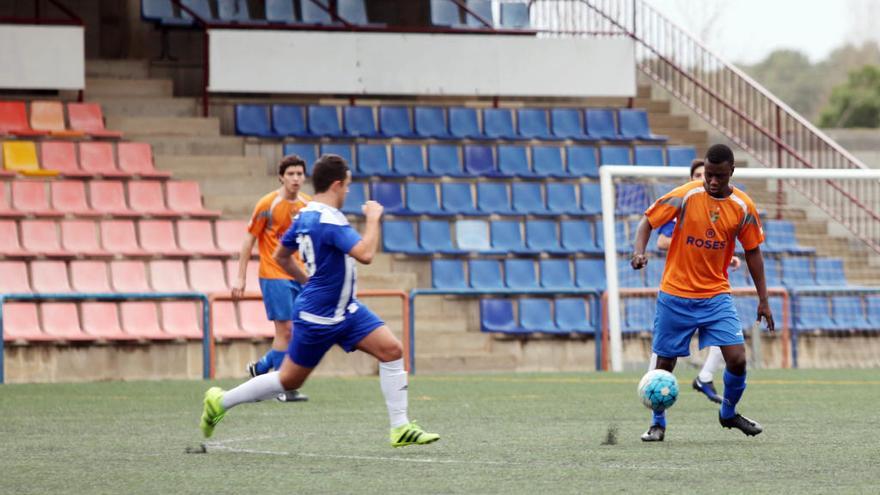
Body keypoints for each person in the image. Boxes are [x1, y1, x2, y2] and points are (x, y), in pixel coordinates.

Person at [200, 154, 440, 447]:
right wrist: (374, 219)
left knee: (392, 350)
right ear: (337, 184)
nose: (349, 191)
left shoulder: (305, 213)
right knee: (289, 380)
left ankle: (400, 427)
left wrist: (307, 281)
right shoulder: (328, 220)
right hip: (319, 316)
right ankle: (220, 401)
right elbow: (365, 254)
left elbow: (281, 256)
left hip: (346, 310)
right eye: (348, 185)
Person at [631, 144, 774, 442]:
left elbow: (753, 252)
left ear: (731, 172)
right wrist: (638, 252)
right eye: (708, 174)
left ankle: (728, 412)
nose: (711, 181)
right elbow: (648, 220)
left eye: (719, 176)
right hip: (675, 293)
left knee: (737, 358)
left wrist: (763, 299)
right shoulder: (687, 194)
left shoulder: (743, 206)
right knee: (665, 363)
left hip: (715, 295)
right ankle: (657, 423)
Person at [653, 159, 741, 404]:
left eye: (711, 174)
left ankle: (705, 376)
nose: (708, 179)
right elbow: (661, 241)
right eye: (700, 175)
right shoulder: (682, 204)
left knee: (726, 342)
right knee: (663, 355)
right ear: (692, 178)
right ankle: (655, 406)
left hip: (711, 292)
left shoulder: (724, 207)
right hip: (678, 289)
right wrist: (688, 244)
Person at [232, 155, 310, 402]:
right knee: (285, 329)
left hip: (299, 275)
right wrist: (240, 277)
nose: (295, 178)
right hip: (273, 273)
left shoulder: (307, 206)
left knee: (296, 331)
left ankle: (261, 368)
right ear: (281, 177)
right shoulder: (267, 204)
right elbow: (248, 239)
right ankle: (282, 387)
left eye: (299, 174)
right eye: (291, 174)